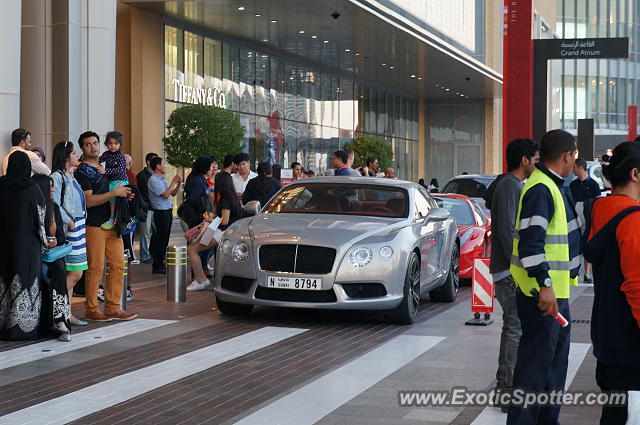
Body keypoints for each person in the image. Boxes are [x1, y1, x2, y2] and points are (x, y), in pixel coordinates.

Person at [508, 129, 580, 424]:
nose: (575, 161)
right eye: (574, 156)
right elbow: (531, 243)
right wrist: (545, 285)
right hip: (542, 297)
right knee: (534, 371)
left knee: (551, 368)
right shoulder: (542, 189)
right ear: (567, 156)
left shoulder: (552, 185)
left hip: (553, 296)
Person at [584, 141, 640, 425]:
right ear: (635, 174)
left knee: (615, 414)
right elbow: (637, 287)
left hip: (608, 342)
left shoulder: (600, 209)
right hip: (631, 348)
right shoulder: (632, 220)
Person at [483, 138, 539, 412]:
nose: (537, 164)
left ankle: (508, 389)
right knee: (514, 327)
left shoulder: (513, 185)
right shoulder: (509, 186)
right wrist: (522, 267)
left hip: (510, 269)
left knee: (514, 327)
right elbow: (506, 232)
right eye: (535, 159)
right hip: (508, 271)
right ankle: (505, 391)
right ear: (524, 160)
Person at [75, 131, 137, 322]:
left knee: (118, 265)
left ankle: (113, 307)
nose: (93, 147)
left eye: (95, 143)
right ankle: (91, 309)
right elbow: (89, 200)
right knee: (95, 269)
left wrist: (124, 194)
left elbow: (114, 189)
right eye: (88, 144)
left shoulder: (103, 167)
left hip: (113, 224)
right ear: (82, 148)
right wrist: (114, 193)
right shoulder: (82, 171)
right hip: (94, 225)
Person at [0, 152, 47, 340]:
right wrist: (44, 241)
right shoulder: (32, 188)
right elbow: (40, 217)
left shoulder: (0, 186)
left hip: (2, 243)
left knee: (4, 279)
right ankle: (22, 329)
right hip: (27, 245)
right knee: (25, 280)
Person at [51, 141, 88, 327]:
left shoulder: (71, 175)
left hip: (79, 226)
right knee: (75, 273)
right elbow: (55, 203)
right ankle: (56, 308)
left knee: (74, 272)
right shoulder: (57, 177)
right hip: (71, 227)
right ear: (66, 156)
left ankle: (67, 313)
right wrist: (69, 220)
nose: (77, 155)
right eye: (73, 153)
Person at [32, 174, 72, 342]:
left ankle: (60, 320)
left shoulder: (53, 207)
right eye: (50, 187)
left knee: (59, 269)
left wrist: (55, 240)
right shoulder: (32, 207)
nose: (53, 190)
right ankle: (55, 321)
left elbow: (62, 236)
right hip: (35, 254)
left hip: (52, 254)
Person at [187, 172, 243, 291]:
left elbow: (224, 221)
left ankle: (200, 280)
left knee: (192, 250)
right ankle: (201, 279)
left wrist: (211, 218)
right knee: (193, 249)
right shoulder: (231, 197)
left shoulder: (225, 200)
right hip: (221, 231)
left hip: (219, 232)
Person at [148, 157, 182, 274]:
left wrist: (178, 184)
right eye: (164, 164)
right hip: (161, 213)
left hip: (166, 212)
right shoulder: (153, 180)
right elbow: (165, 194)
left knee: (164, 239)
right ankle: (157, 265)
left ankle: (160, 263)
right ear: (157, 166)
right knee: (161, 240)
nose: (166, 166)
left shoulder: (161, 179)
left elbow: (172, 193)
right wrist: (173, 181)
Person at [570, 157, 600, 283]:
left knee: (587, 242)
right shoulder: (573, 185)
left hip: (588, 216)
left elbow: (597, 203)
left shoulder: (593, 185)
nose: (572, 170)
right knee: (574, 243)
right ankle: (574, 271)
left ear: (580, 167)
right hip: (575, 217)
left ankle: (587, 273)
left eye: (574, 167)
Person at [98, 131, 128, 230]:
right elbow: (98, 160)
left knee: (114, 200)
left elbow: (119, 169)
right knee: (110, 200)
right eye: (110, 143)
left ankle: (113, 219)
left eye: (116, 143)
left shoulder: (120, 156)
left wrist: (105, 170)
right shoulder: (106, 154)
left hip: (120, 181)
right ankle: (112, 218)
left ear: (120, 144)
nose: (113, 146)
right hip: (112, 181)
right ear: (106, 144)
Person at [136, 152, 158, 264]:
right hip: (146, 208)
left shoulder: (156, 175)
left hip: (155, 208)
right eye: (155, 160)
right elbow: (142, 193)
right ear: (149, 162)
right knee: (145, 233)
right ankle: (145, 256)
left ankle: (152, 253)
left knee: (156, 232)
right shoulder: (142, 176)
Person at [122, 153, 139, 268]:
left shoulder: (115, 174)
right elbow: (133, 192)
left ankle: (127, 255)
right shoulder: (130, 175)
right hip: (128, 209)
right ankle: (130, 256)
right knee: (128, 234)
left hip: (122, 209)